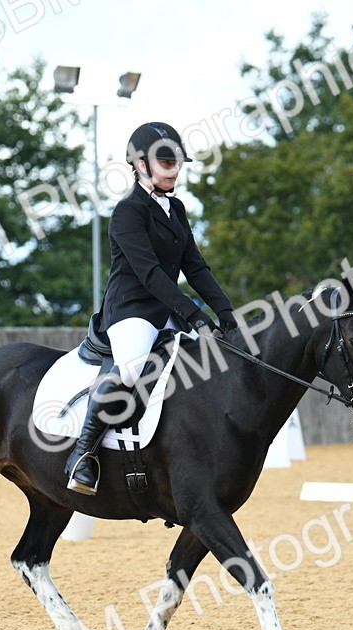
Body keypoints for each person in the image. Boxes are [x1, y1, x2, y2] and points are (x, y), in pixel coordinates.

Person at [64, 121, 238, 495]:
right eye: (165, 161)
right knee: (130, 370)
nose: (174, 169)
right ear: (141, 165)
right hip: (131, 310)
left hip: (166, 311)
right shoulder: (128, 212)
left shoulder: (176, 208)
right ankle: (83, 454)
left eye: (177, 161)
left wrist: (226, 313)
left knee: (218, 356)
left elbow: (195, 267)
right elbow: (150, 274)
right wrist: (194, 314)